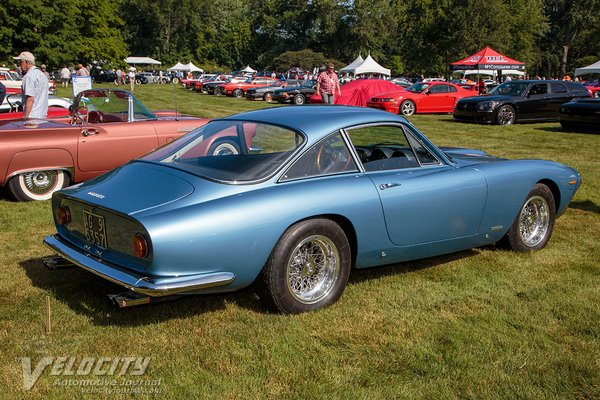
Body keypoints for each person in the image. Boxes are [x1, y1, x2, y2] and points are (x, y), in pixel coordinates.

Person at [13, 51, 48, 119]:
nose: (19, 65)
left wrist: (25, 117)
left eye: (20, 62)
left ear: (26, 62)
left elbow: (30, 99)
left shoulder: (28, 76)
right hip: (42, 115)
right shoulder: (42, 75)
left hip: (31, 116)